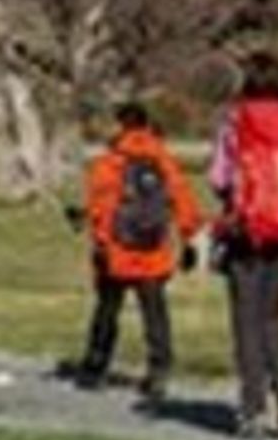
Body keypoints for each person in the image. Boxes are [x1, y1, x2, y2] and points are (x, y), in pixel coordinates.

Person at [207, 53, 278, 437]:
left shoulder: (235, 121)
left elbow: (219, 177)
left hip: (247, 229)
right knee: (272, 316)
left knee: (246, 319)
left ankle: (253, 406)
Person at [70, 101, 201, 400]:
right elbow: (183, 200)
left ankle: (95, 366)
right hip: (153, 249)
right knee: (155, 312)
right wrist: (189, 236)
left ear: (121, 125)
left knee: (107, 309)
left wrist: (92, 230)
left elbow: (101, 205)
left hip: (116, 250)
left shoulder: (109, 162)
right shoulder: (163, 159)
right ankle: (159, 368)